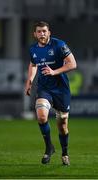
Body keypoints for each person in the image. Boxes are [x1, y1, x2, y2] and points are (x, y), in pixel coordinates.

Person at [25, 21, 77, 165]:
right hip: (44, 88)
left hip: (61, 89)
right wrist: (29, 80)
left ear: (49, 32)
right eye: (39, 31)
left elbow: (72, 64)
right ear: (34, 34)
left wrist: (54, 72)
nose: (42, 34)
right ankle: (49, 147)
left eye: (44, 31)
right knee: (41, 117)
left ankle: (65, 152)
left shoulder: (59, 45)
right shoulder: (33, 49)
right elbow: (33, 64)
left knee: (62, 125)